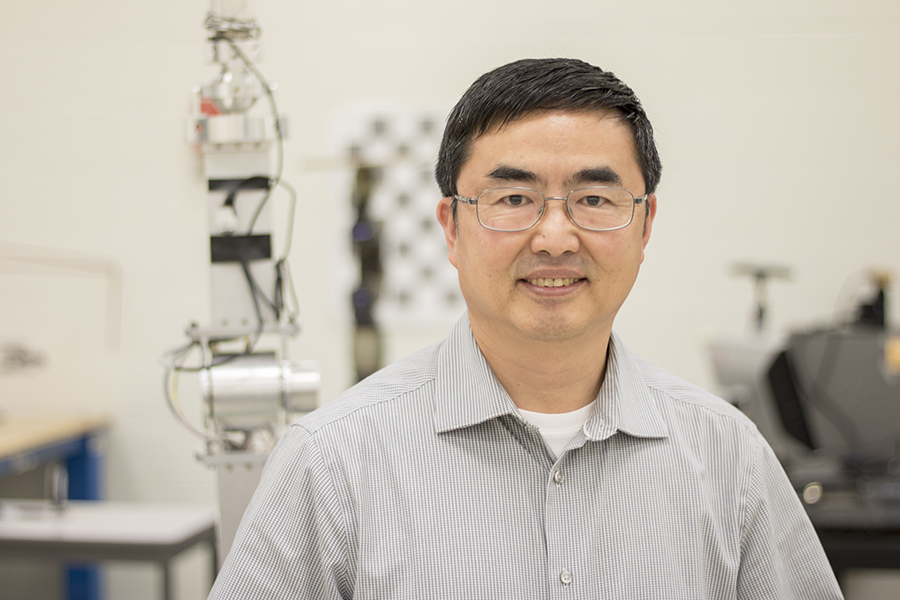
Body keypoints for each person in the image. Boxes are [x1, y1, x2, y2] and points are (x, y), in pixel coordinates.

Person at [209, 58, 843, 599]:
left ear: (644, 226)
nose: (555, 237)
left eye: (594, 199)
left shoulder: (727, 457)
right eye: (513, 199)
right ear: (451, 228)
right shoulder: (332, 461)